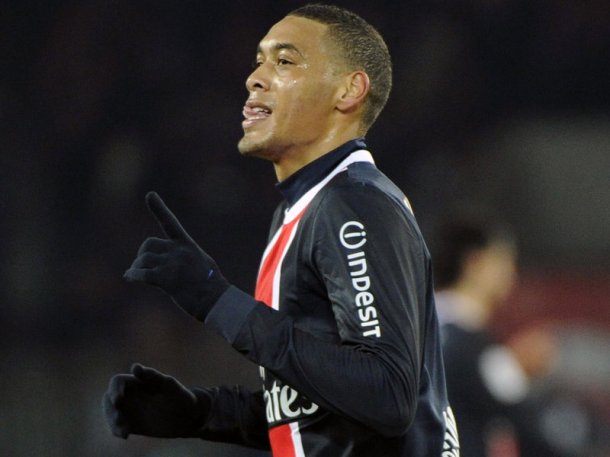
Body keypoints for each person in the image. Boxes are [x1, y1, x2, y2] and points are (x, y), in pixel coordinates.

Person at [102, 4, 460, 457]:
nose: (255, 78)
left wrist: (218, 301)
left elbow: (385, 395)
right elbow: (332, 407)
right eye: (259, 61)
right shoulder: (306, 209)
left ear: (349, 91)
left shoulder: (352, 204)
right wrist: (203, 413)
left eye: (285, 61)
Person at [433, 215, 556, 457]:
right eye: (504, 261)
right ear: (476, 263)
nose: (511, 274)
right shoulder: (475, 348)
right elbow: (525, 425)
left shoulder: (416, 330)